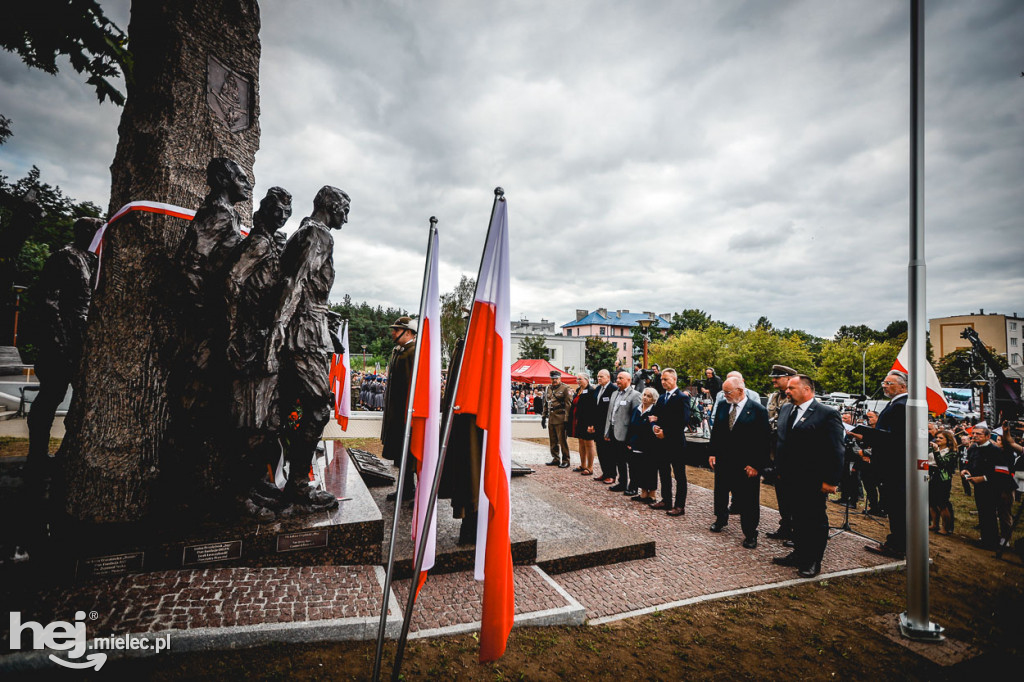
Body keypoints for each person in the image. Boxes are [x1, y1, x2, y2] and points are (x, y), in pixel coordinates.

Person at [271, 185, 349, 510]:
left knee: (290, 405)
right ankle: (299, 487)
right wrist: (277, 326)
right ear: (330, 206)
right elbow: (295, 282)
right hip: (305, 333)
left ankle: (283, 476)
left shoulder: (301, 232)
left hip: (305, 327)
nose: (347, 215)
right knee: (317, 407)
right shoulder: (319, 235)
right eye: (345, 208)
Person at [222, 187, 292, 514]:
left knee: (263, 420)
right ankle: (239, 493)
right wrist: (237, 330)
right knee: (247, 421)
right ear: (265, 211)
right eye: (279, 211)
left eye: (287, 213)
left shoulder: (270, 245)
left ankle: (253, 483)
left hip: (261, 338)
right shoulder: (260, 243)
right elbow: (233, 282)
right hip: (249, 341)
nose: (283, 217)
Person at [26, 217, 102, 494]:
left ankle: (66, 453)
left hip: (83, 341)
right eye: (95, 230)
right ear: (82, 232)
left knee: (82, 401)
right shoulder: (64, 257)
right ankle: (36, 456)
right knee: (50, 397)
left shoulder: (93, 259)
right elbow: (48, 300)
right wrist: (59, 339)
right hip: (60, 342)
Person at [771, 375, 844, 578]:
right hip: (787, 477)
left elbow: (836, 450)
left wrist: (831, 480)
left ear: (807, 390)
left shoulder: (826, 414)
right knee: (795, 518)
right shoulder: (786, 409)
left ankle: (813, 561)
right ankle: (799, 553)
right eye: (788, 388)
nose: (787, 391)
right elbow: (782, 442)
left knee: (813, 519)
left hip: (812, 479)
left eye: (792, 388)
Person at [708, 376, 770, 547]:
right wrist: (712, 452)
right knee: (720, 493)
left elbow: (764, 441)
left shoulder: (758, 411)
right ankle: (721, 519)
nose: (725, 395)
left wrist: (757, 465)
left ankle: (750, 533)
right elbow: (717, 432)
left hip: (746, 465)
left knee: (749, 500)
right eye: (723, 392)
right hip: (724, 460)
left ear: (740, 391)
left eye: (728, 392)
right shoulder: (722, 406)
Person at [856, 370, 908, 559]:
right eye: (884, 382)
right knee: (894, 505)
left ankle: (897, 545)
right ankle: (896, 542)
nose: (884, 386)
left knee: (896, 505)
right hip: (890, 462)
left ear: (902, 386)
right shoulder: (897, 404)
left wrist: (863, 434)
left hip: (893, 464)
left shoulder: (901, 405)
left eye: (889, 383)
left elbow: (893, 438)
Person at [380, 316, 417, 501]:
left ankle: (411, 490)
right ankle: (406, 488)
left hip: (405, 414)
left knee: (410, 454)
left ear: (408, 332)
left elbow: (412, 387)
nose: (393, 332)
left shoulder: (412, 352)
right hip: (396, 412)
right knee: (401, 454)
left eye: (397, 329)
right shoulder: (401, 350)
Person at [961, 426, 1016, 550]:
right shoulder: (973, 448)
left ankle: (992, 542)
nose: (975, 436)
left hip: (994, 486)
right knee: (982, 511)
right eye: (973, 433)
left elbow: (1001, 470)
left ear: (987, 436)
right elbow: (970, 463)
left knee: (991, 512)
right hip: (978, 485)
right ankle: (986, 538)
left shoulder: (995, 450)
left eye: (979, 434)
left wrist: (984, 478)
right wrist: (966, 470)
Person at [650, 368, 690, 516]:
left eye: (666, 379)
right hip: (661, 443)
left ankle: (680, 505)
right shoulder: (661, 398)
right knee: (664, 472)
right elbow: (655, 416)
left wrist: (665, 432)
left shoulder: (682, 398)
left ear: (674, 379)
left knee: (679, 475)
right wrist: (654, 427)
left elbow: (683, 421)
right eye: (661, 379)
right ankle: (666, 500)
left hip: (676, 442)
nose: (663, 382)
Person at [765, 364, 797, 542]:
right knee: (781, 493)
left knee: (793, 495)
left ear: (788, 378)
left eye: (777, 377)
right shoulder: (774, 397)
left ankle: (796, 529)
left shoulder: (795, 399)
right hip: (775, 450)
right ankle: (785, 525)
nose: (774, 380)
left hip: (790, 453)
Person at [604, 371, 642, 493]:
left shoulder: (635, 395)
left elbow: (636, 417)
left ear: (629, 380)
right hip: (615, 432)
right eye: (617, 378)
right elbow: (610, 414)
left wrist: (633, 437)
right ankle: (622, 483)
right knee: (619, 459)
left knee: (632, 462)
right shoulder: (615, 393)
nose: (617, 380)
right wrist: (607, 431)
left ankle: (633, 486)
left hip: (627, 434)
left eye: (621, 378)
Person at [626, 387, 660, 504]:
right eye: (644, 395)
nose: (645, 397)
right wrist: (629, 442)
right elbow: (631, 426)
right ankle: (643, 492)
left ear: (654, 399)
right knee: (639, 468)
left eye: (649, 396)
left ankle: (652, 494)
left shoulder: (655, 411)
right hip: (636, 444)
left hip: (650, 445)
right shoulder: (637, 409)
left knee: (650, 469)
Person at [928, 429, 959, 534]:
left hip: (942, 477)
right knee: (931, 501)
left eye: (941, 438)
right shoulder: (931, 449)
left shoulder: (952, 452)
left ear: (948, 440)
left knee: (941, 503)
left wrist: (936, 451)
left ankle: (946, 527)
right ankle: (934, 524)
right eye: (937, 437)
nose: (937, 439)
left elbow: (942, 464)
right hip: (930, 474)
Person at [543, 370, 573, 468]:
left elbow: (568, 404)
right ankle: (555, 458)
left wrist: (567, 418)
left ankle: (566, 460)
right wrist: (543, 416)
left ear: (560, 378)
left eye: (556, 378)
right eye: (553, 378)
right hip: (551, 417)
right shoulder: (548, 388)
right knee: (553, 440)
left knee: (562, 440)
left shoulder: (565, 388)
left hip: (561, 418)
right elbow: (546, 403)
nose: (554, 380)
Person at [591, 369, 616, 483]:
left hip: (608, 425)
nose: (599, 378)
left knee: (609, 452)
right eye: (598, 376)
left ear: (608, 377)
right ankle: (605, 472)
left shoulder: (613, 390)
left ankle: (611, 474)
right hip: (598, 425)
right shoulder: (597, 389)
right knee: (600, 450)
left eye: (601, 376)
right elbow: (594, 407)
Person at [568, 375, 597, 475]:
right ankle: (583, 465)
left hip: (587, 421)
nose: (578, 381)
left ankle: (590, 467)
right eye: (577, 379)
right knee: (581, 442)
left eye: (580, 379)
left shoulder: (591, 391)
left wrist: (592, 424)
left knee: (589, 443)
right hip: (578, 420)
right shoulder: (578, 390)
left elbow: (593, 409)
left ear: (587, 380)